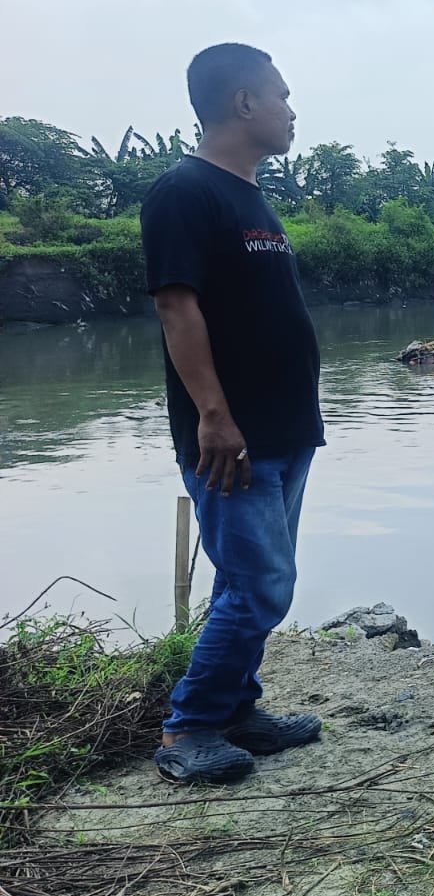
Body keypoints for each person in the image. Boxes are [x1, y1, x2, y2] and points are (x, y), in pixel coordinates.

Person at [140, 44, 324, 784]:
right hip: (232, 435)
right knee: (262, 584)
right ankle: (189, 728)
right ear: (245, 102)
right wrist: (212, 414)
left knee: (245, 582)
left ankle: (239, 709)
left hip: (283, 429)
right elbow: (176, 308)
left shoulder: (250, 195)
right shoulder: (185, 192)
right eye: (281, 95)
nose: (291, 110)